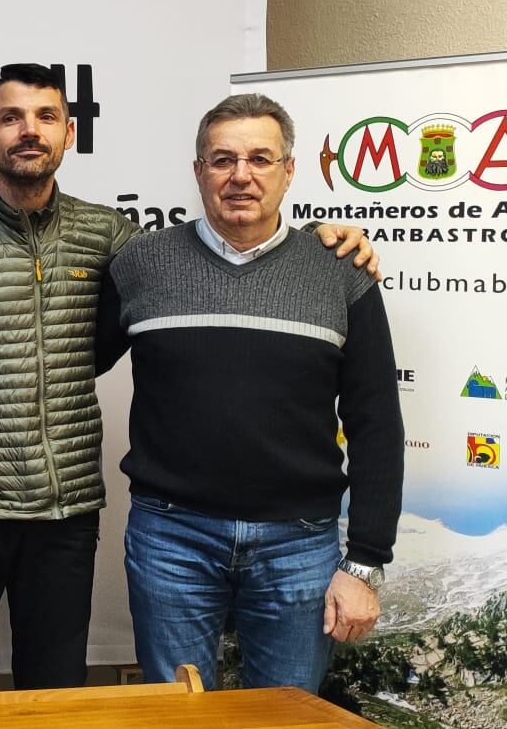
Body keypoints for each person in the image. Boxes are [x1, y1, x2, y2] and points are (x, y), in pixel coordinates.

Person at [0, 66, 381, 705]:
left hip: (65, 505)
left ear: (70, 133)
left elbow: (186, 278)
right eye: (12, 118)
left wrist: (337, 238)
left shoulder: (115, 239)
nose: (29, 132)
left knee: (59, 695)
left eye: (46, 117)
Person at [100, 93, 403, 692]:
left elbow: (376, 422)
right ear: (198, 173)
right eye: (222, 159)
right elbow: (67, 362)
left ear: (289, 171)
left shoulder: (340, 269)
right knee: (176, 712)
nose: (241, 175)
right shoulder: (141, 264)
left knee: (284, 714)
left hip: (300, 545)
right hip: (172, 540)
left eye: (261, 158)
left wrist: (366, 560)